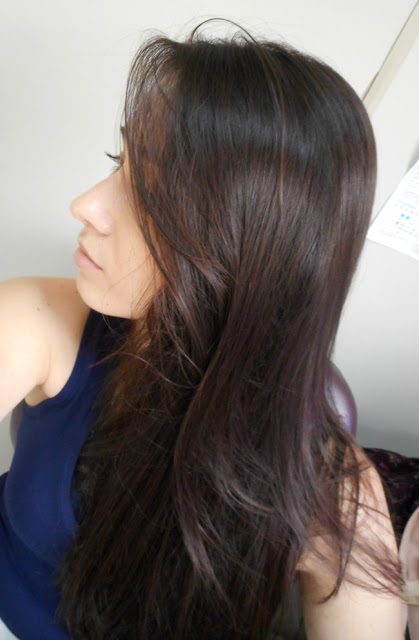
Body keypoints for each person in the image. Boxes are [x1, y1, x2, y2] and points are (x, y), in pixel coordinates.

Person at [0, 19, 407, 640]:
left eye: (153, 193)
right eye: (119, 161)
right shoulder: (38, 317)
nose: (85, 204)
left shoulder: (335, 496)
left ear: (251, 253)